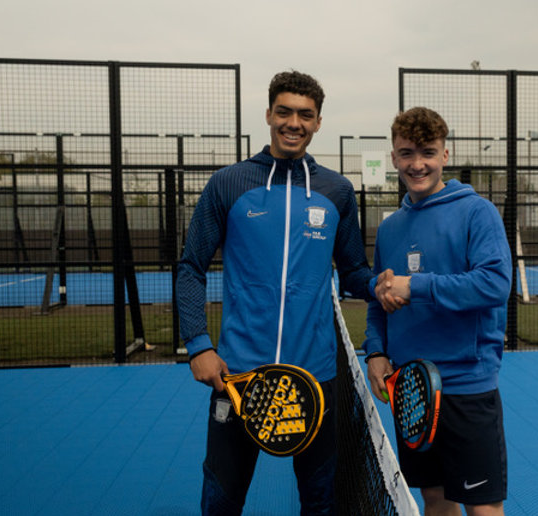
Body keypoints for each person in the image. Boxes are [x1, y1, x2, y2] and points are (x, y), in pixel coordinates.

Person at [177, 70, 382, 516]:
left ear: (319, 122)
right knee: (221, 499)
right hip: (237, 376)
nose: (294, 123)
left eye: (305, 115)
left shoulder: (338, 191)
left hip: (317, 378)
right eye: (285, 112)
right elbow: (191, 267)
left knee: (321, 502)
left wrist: (380, 286)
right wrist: (198, 345)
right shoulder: (228, 183)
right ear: (268, 114)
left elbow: (353, 273)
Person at [363, 107, 512, 516]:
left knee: (482, 507)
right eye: (407, 153)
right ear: (393, 157)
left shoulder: (476, 212)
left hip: (466, 385)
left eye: (427, 152)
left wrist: (417, 286)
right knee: (433, 499)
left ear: (445, 155)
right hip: (412, 389)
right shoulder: (391, 227)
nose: (417, 164)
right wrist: (375, 352)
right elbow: (380, 297)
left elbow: (495, 284)